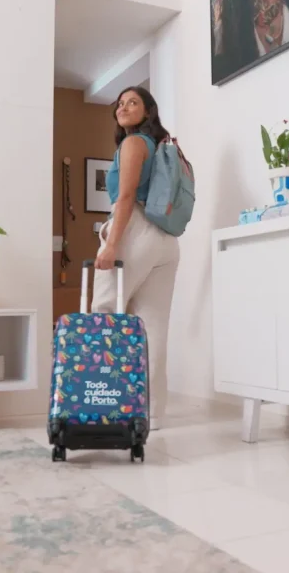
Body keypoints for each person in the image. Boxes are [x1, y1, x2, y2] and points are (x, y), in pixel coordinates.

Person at [92, 86, 178, 431]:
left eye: (133, 103)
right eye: (121, 103)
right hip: (165, 237)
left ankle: (98, 399)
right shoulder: (158, 147)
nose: (124, 107)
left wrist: (111, 244)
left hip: (135, 230)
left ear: (148, 111)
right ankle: (152, 414)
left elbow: (126, 196)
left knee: (102, 312)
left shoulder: (132, 144)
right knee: (152, 325)